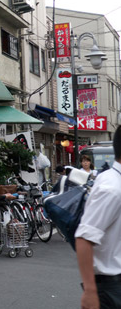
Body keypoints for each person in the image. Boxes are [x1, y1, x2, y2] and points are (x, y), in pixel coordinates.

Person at [75, 126, 121, 309]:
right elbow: (84, 238)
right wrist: (90, 291)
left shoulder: (111, 178)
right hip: (112, 287)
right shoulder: (112, 189)